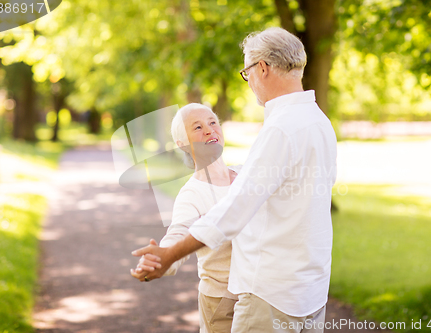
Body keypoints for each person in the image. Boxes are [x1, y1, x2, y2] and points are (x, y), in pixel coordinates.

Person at [131, 27, 337, 332]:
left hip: (272, 294)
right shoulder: (320, 122)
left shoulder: (280, 129)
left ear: (262, 68)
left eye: (247, 73)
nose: (250, 82)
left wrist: (168, 256)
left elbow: (234, 210)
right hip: (310, 290)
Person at [131, 103, 265, 332]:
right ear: (182, 143)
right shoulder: (192, 193)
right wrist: (162, 258)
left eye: (213, 122)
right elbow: (178, 233)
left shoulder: (246, 174)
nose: (209, 130)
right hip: (223, 302)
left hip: (261, 296)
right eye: (198, 127)